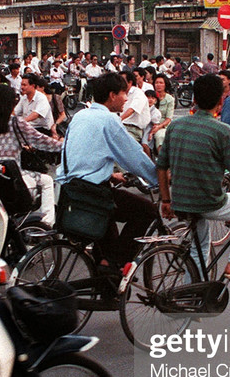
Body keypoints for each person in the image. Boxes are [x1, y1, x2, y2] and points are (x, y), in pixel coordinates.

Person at [157, 73, 230, 281]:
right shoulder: (221, 130)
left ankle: (191, 299)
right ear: (221, 100)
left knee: (198, 251)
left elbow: (161, 166)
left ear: (194, 100)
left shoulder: (175, 126)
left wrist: (166, 200)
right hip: (209, 201)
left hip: (180, 201)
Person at [57, 72, 158, 268]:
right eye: (123, 93)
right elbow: (133, 156)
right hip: (93, 194)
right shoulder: (109, 120)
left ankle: (107, 279)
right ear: (112, 95)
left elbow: (79, 155)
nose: (126, 98)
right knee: (147, 211)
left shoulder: (80, 116)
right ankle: (114, 264)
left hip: (71, 189)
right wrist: (158, 178)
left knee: (107, 244)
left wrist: (111, 175)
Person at [0, 83, 62, 225]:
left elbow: (7, 142)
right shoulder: (16, 122)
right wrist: (63, 146)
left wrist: (22, 145)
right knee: (47, 181)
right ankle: (46, 224)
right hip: (13, 173)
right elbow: (41, 140)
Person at [120, 68, 152, 143]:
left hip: (133, 129)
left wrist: (119, 119)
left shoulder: (138, 93)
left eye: (122, 81)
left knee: (123, 144)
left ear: (130, 82)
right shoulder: (121, 94)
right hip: (121, 126)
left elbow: (132, 110)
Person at [148, 74, 175, 152]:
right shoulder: (149, 96)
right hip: (148, 123)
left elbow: (168, 118)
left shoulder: (170, 99)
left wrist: (159, 127)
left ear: (165, 85)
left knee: (160, 136)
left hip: (162, 125)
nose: (158, 85)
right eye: (156, 83)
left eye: (161, 83)